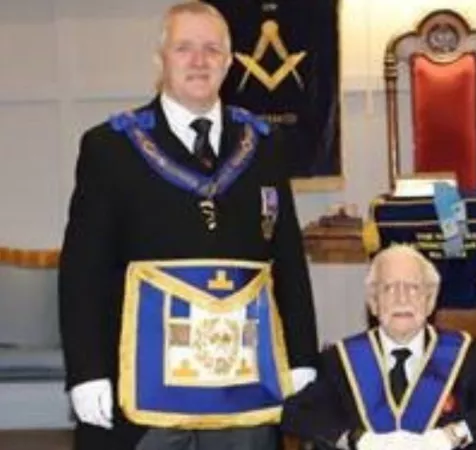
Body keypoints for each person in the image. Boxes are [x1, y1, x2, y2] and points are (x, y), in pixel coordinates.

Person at [58, 2, 318, 449]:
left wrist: (301, 357)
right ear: (160, 60)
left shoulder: (265, 145)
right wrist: (87, 372)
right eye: (184, 48)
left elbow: (288, 258)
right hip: (142, 389)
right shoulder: (112, 148)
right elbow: (83, 271)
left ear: (229, 63)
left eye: (212, 49)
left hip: (244, 386)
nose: (199, 61)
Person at [281, 245, 476, 450]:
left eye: (413, 288)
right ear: (374, 303)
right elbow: (296, 413)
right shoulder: (341, 360)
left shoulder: (468, 355)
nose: (402, 298)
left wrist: (451, 436)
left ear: (430, 301)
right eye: (389, 288)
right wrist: (358, 440)